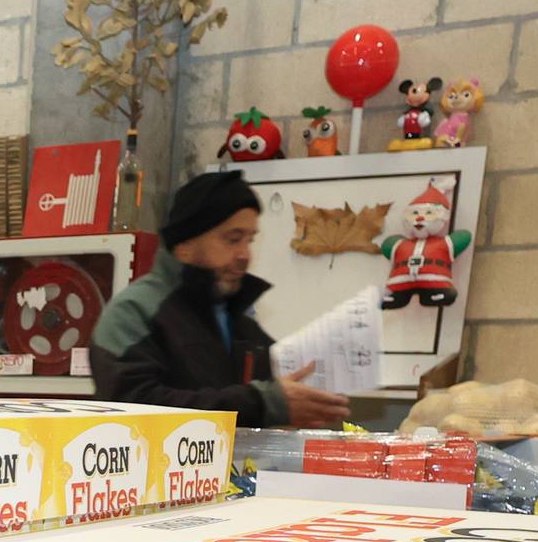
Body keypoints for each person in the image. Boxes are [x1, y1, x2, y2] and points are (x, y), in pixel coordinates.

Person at [93, 171, 351, 427]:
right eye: (233, 239)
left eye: (250, 240)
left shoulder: (235, 317)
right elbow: (129, 409)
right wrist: (262, 404)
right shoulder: (132, 313)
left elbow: (260, 400)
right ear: (185, 245)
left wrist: (296, 403)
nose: (245, 255)